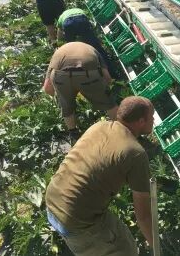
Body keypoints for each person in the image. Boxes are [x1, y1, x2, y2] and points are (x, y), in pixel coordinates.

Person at [45, 96, 154, 256]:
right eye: (151, 117)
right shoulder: (135, 153)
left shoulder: (100, 126)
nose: (153, 120)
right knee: (125, 250)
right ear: (141, 121)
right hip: (76, 219)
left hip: (53, 198)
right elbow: (143, 216)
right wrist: (157, 245)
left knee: (120, 235)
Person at [42, 42, 117, 136]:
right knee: (109, 104)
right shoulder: (92, 49)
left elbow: (47, 88)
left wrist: (62, 97)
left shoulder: (57, 54)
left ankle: (73, 134)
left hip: (60, 77)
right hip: (87, 75)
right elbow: (107, 78)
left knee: (67, 108)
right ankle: (118, 128)